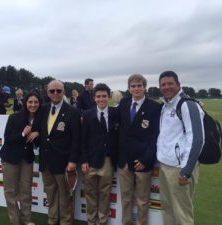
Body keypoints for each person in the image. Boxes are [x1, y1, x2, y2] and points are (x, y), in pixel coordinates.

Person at [157, 71, 205, 225]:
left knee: (182, 214)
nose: (167, 87)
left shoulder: (187, 104)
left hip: (180, 169)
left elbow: (197, 139)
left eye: (170, 83)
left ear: (178, 84)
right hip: (165, 165)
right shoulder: (166, 105)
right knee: (167, 208)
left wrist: (186, 170)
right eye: (163, 84)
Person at [118, 74, 161, 225]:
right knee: (126, 198)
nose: (136, 88)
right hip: (124, 161)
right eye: (133, 86)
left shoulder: (155, 107)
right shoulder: (123, 104)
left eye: (139, 85)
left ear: (145, 87)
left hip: (142, 162)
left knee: (142, 201)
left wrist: (146, 159)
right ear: (129, 88)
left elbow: (156, 136)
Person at [39, 80, 81, 225]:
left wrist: (73, 161)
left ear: (63, 92)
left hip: (64, 162)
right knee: (50, 195)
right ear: (48, 93)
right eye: (52, 91)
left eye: (58, 90)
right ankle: (52, 220)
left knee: (64, 197)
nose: (55, 93)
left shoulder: (73, 111)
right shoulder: (43, 109)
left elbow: (77, 139)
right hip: (46, 162)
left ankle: (64, 222)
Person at [0, 92, 42, 225]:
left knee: (26, 191)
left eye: (36, 102)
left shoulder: (40, 119)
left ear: (39, 104)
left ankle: (27, 219)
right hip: (10, 158)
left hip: (27, 159)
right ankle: (15, 221)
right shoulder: (14, 117)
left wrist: (38, 133)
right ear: (25, 103)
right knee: (11, 192)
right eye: (30, 102)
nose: (33, 105)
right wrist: (24, 133)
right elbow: (8, 139)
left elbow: (38, 143)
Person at [81, 83, 119, 225]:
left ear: (108, 97)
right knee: (90, 194)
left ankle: (102, 221)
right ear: (94, 98)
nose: (101, 99)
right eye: (98, 96)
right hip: (90, 161)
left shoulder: (116, 113)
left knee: (105, 194)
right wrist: (84, 160)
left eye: (104, 96)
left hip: (108, 160)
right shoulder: (87, 114)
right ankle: (91, 221)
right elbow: (83, 139)